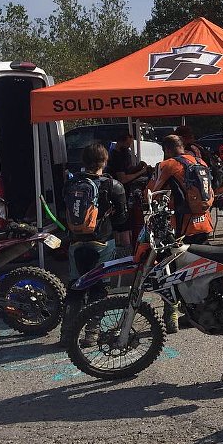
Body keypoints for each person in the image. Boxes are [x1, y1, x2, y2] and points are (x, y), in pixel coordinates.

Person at [65, 143, 127, 341]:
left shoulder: (71, 183)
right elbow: (122, 219)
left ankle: (67, 333)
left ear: (83, 160)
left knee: (75, 285)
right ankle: (92, 332)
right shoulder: (113, 185)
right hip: (102, 241)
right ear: (105, 161)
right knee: (99, 286)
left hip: (75, 241)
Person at [147, 135, 214, 244]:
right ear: (182, 146)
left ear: (167, 150)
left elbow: (151, 193)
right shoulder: (200, 162)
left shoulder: (168, 165)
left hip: (182, 225)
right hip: (205, 221)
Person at [106, 132, 150, 249]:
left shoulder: (125, 153)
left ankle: (126, 244)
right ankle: (123, 246)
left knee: (127, 220)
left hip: (125, 190)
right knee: (122, 220)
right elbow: (123, 178)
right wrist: (141, 172)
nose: (129, 146)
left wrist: (138, 167)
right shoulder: (116, 156)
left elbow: (127, 170)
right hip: (118, 192)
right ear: (121, 141)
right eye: (128, 143)